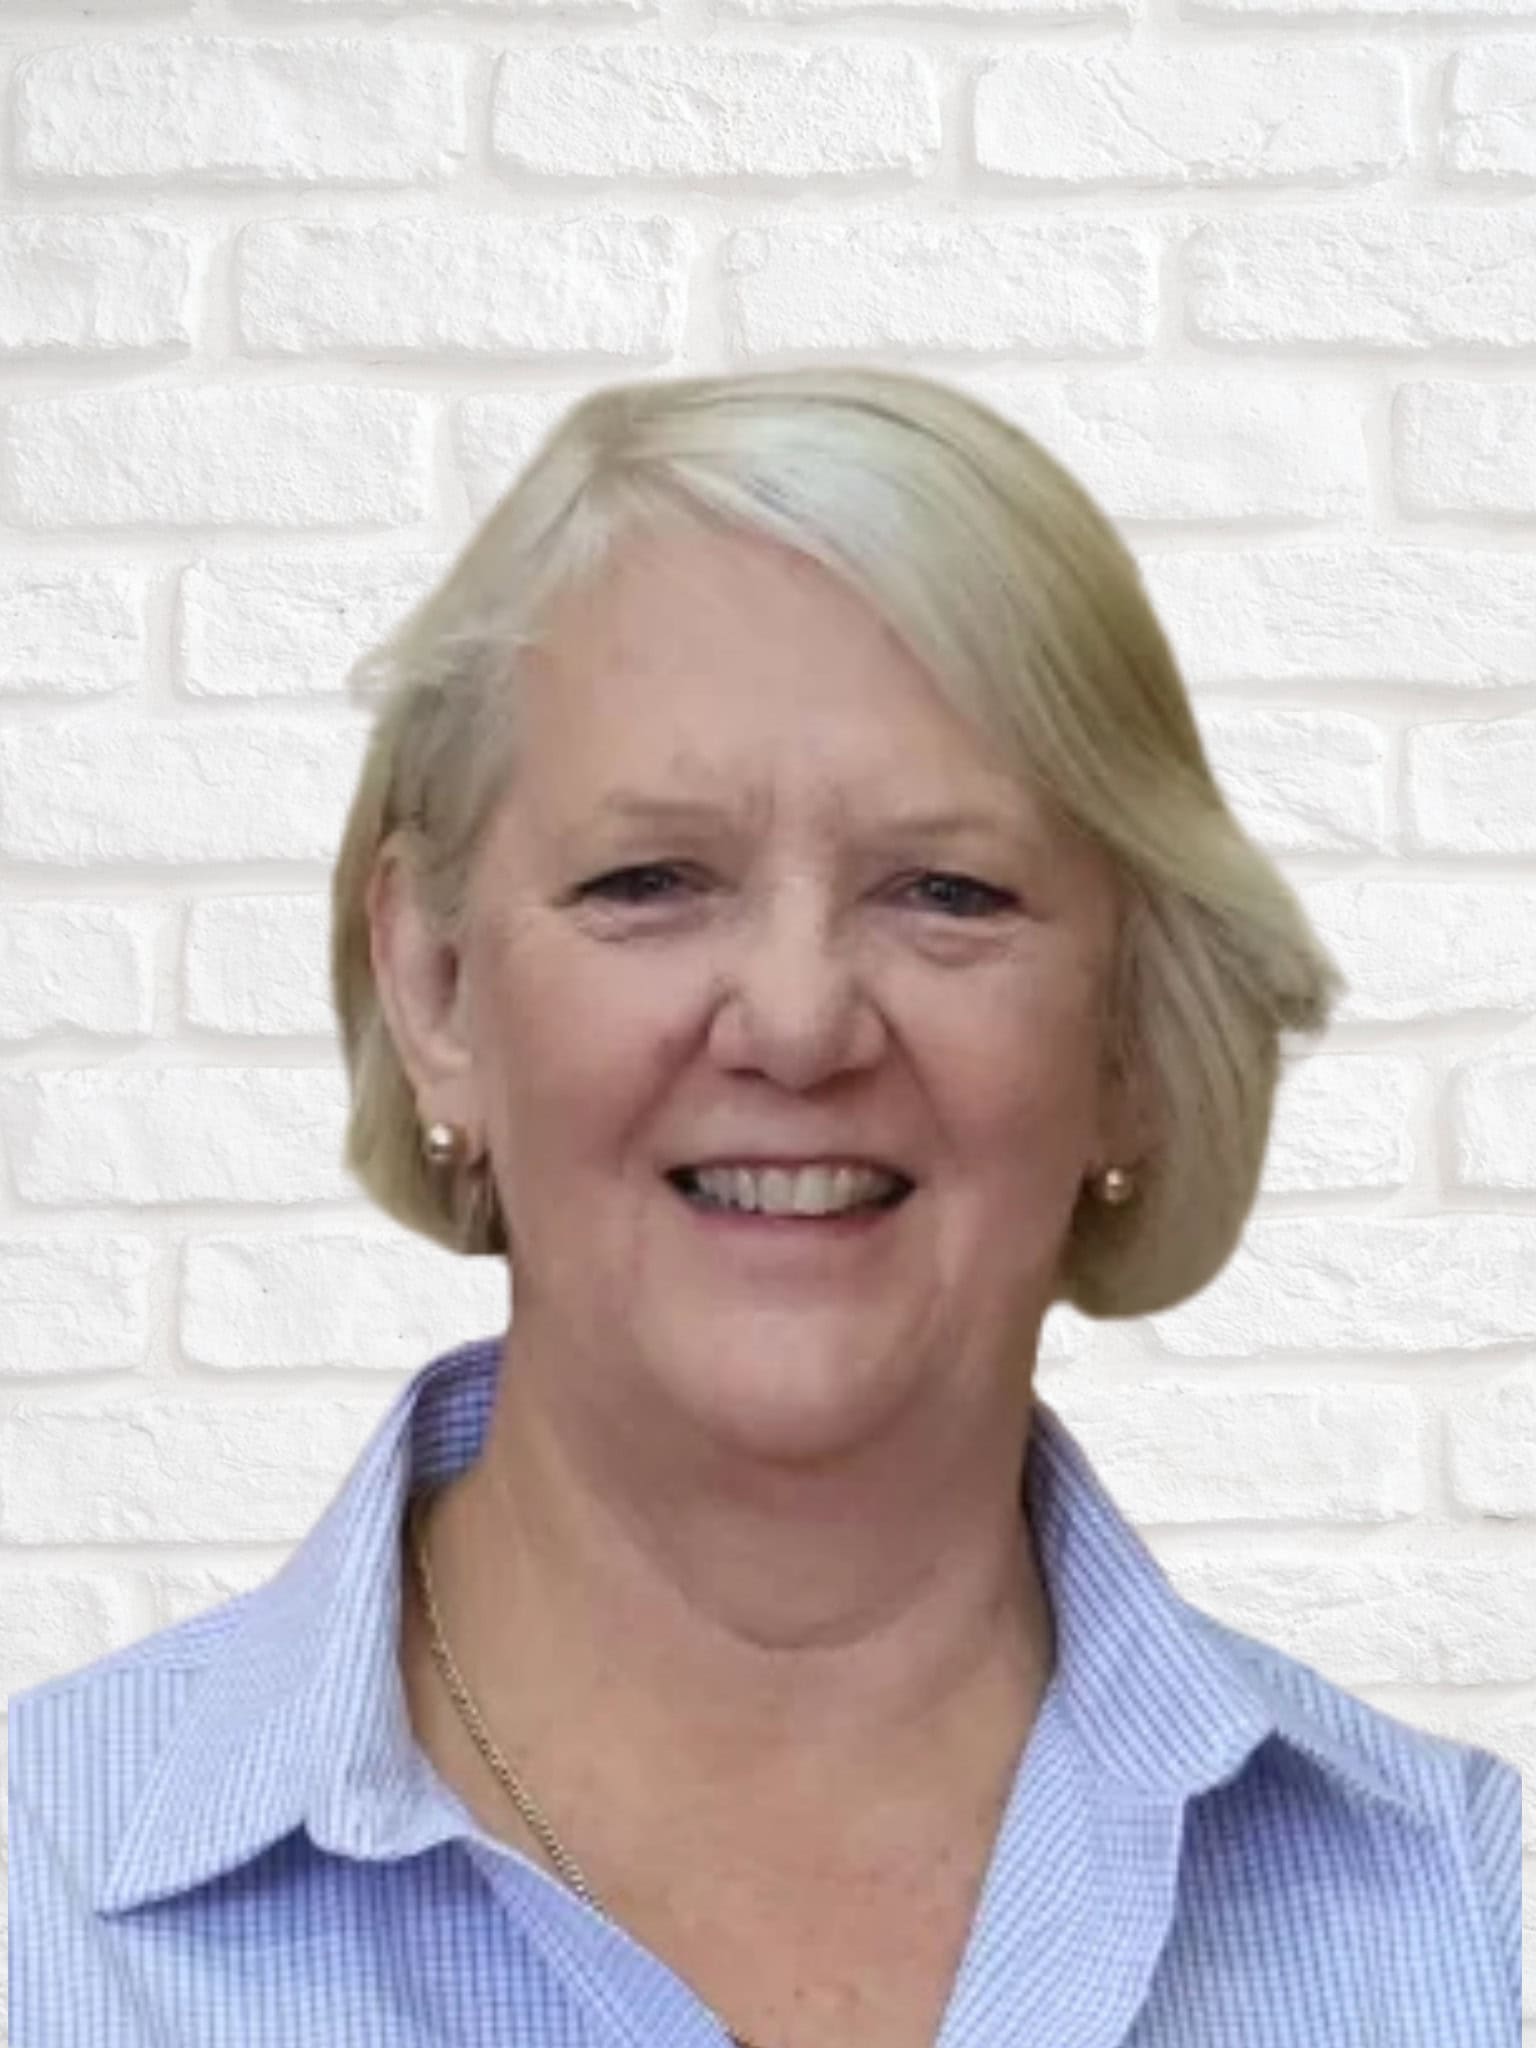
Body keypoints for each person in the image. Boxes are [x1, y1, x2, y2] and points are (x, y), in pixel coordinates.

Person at [9, 365, 1520, 2048]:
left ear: (1129, 1039)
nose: (798, 1025)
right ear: (436, 991)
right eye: (649, 882)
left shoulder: (1474, 1927)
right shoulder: (36, 1903)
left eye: (949, 891)